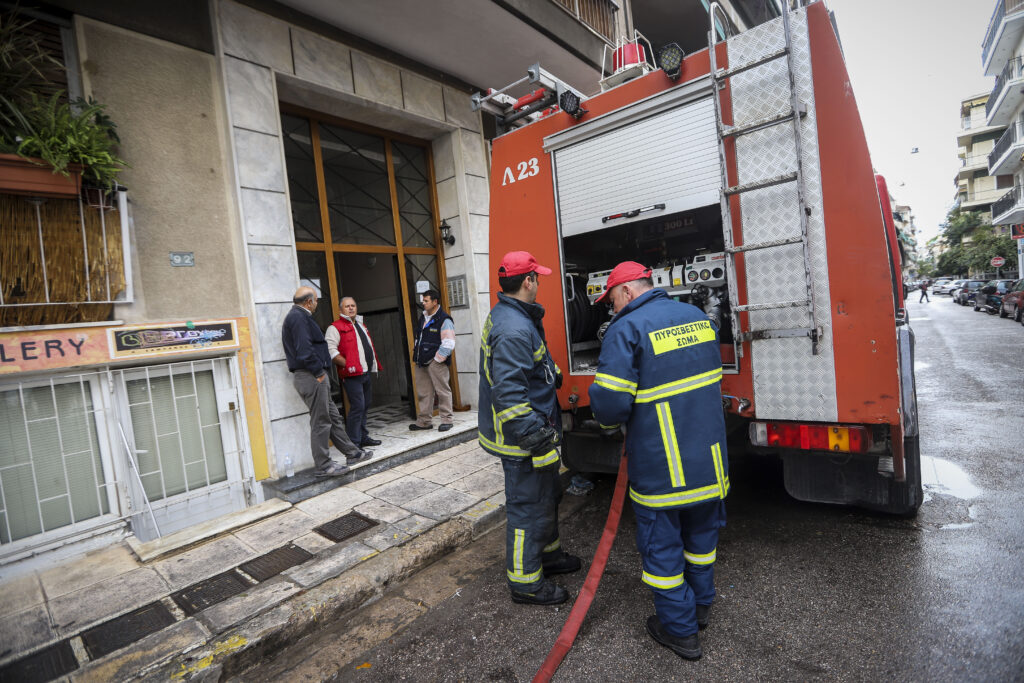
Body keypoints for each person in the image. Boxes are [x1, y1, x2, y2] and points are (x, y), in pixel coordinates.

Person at [588, 261, 728, 660]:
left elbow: (611, 403)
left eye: (612, 300)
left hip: (664, 466)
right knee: (702, 541)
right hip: (711, 461)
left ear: (629, 291)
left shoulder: (626, 329)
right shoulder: (696, 317)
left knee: (663, 550)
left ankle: (680, 632)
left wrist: (602, 415)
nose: (611, 309)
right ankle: (700, 609)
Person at [478, 251, 580, 606]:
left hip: (534, 432)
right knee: (527, 506)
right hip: (523, 440)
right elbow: (509, 396)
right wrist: (537, 439)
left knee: (548, 495)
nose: (539, 283)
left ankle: (549, 557)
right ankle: (525, 584)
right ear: (528, 282)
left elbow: (530, 367)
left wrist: (552, 375)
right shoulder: (513, 328)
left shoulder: (514, 316)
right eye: (537, 277)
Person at [281, 286, 373, 477]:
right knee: (321, 421)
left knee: (332, 417)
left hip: (313, 376)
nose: (316, 304)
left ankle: (352, 453)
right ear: (309, 301)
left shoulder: (299, 316)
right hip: (311, 376)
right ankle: (324, 465)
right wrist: (318, 373)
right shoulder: (298, 317)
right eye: (315, 300)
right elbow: (304, 350)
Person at [325, 297, 382, 448]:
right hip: (351, 375)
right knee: (357, 407)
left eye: (353, 306)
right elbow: (330, 350)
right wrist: (347, 364)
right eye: (347, 306)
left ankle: (363, 437)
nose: (351, 308)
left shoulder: (361, 325)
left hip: (365, 372)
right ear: (340, 310)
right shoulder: (335, 327)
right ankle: (354, 442)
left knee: (365, 405)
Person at [410, 289, 456, 432]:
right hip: (421, 361)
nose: (423, 303)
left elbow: (449, 343)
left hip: (436, 362)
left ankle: (447, 420)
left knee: (442, 391)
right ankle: (424, 422)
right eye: (423, 300)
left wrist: (437, 359)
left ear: (435, 302)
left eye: (426, 301)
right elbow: (419, 338)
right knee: (424, 393)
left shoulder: (444, 319)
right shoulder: (423, 318)